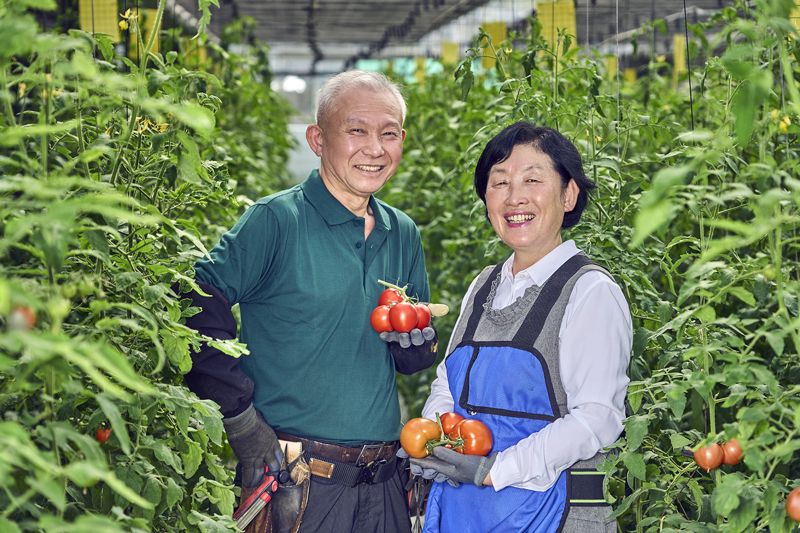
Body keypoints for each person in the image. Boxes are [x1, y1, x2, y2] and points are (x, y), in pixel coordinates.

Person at [181, 70, 437, 532]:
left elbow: (403, 356)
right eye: (356, 130)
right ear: (318, 139)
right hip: (296, 481)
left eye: (389, 133)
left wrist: (414, 348)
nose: (375, 148)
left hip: (382, 480)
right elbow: (195, 306)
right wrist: (241, 421)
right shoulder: (276, 221)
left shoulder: (402, 232)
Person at [405, 121, 632, 532]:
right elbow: (448, 385)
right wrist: (435, 439)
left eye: (532, 179)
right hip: (468, 515)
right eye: (500, 182)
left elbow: (598, 417)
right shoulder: (484, 285)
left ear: (569, 194)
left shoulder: (590, 291)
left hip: (559, 517)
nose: (515, 197)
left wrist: (495, 471)